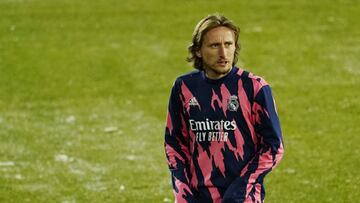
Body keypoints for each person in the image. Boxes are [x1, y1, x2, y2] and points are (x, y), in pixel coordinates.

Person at [164, 13, 284, 203]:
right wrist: (183, 193)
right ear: (198, 51)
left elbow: (273, 147)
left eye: (228, 44)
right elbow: (175, 144)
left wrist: (240, 188)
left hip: (242, 198)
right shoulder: (183, 88)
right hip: (198, 197)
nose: (223, 53)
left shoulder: (255, 87)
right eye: (214, 45)